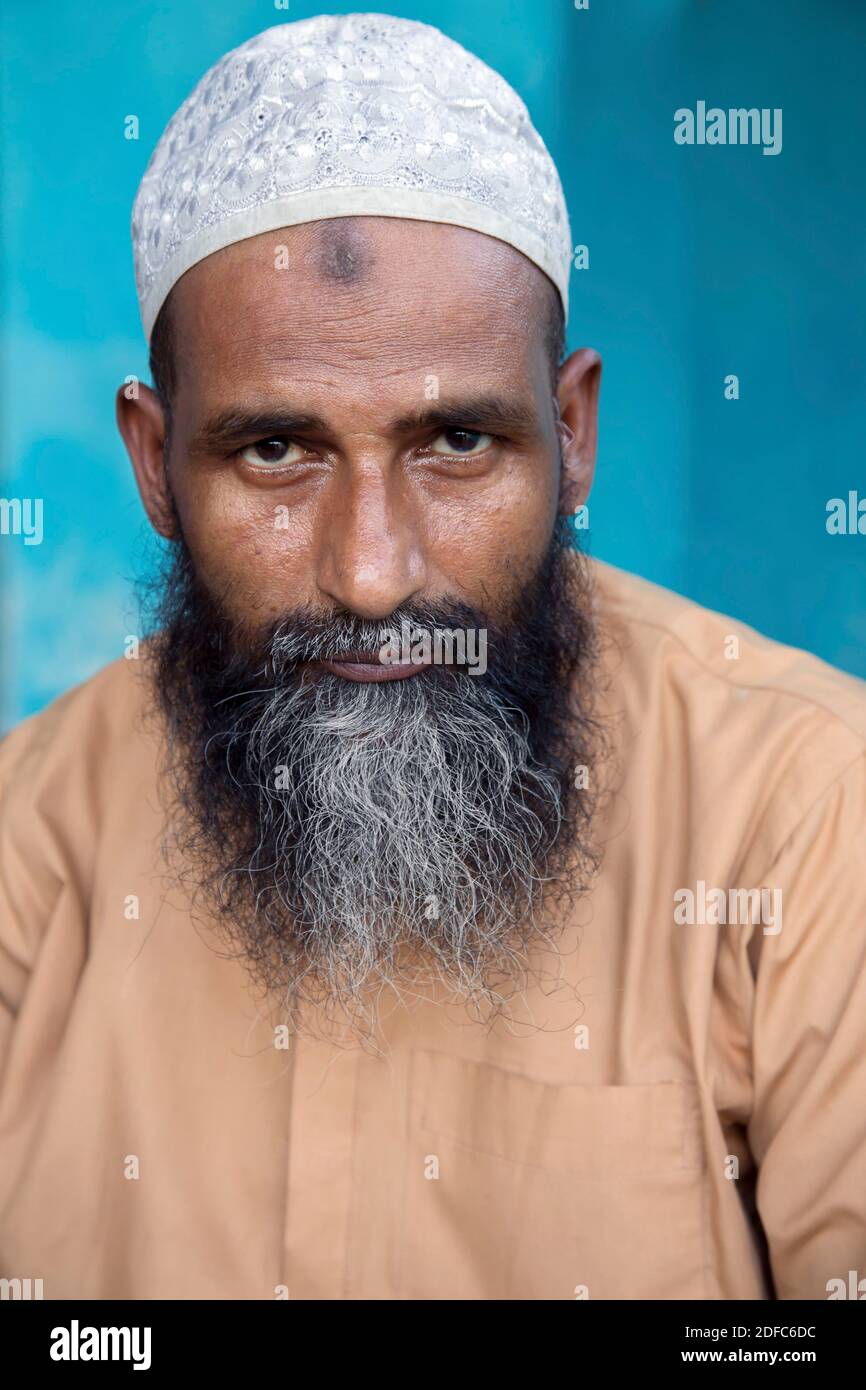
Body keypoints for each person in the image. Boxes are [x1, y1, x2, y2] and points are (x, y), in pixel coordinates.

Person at [1, 13, 864, 1302]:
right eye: (276, 453)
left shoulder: (807, 816)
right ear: (153, 465)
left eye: (457, 442)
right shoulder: (29, 841)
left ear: (571, 435)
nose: (372, 572)